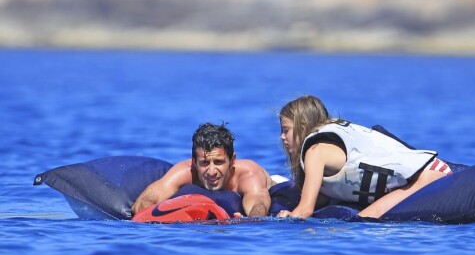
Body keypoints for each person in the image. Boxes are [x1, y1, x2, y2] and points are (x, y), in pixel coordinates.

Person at [276, 95, 453, 219]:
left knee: (365, 219)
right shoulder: (326, 141)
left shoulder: (315, 151)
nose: (282, 137)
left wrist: (286, 218)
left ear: (303, 125)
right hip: (426, 172)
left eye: (286, 130)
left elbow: (305, 210)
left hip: (427, 175)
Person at [131, 123, 275, 217]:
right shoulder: (185, 171)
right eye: (205, 163)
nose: (211, 171)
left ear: (232, 160)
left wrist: (250, 223)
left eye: (218, 162)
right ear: (194, 162)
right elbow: (146, 200)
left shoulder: (248, 174)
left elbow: (259, 204)